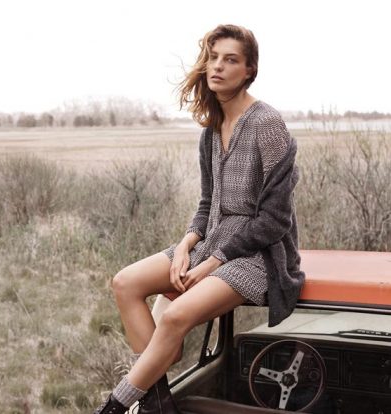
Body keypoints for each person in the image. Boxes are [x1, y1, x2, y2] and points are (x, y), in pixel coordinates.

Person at [92, 24, 305, 414]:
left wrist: (212, 263)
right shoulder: (210, 131)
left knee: (173, 316)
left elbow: (274, 221)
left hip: (258, 256)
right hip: (210, 244)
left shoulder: (266, 124)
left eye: (230, 60)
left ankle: (114, 406)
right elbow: (208, 204)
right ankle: (157, 400)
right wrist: (186, 245)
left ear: (249, 70)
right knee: (125, 282)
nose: (217, 66)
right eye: (213, 58)